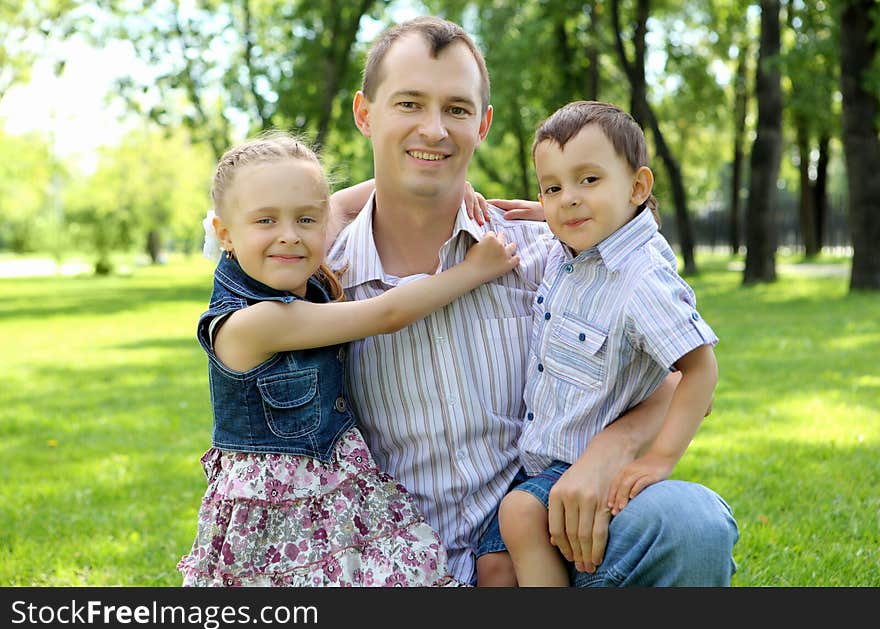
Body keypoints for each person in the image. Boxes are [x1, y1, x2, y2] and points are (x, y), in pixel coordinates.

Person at [327, 15, 738, 587]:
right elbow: (236, 239)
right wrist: (334, 207)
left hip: (543, 547)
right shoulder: (321, 274)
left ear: (484, 124)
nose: (434, 130)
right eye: (409, 104)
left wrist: (609, 449)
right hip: (395, 566)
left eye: (457, 109)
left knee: (691, 523)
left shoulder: (550, 253)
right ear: (364, 114)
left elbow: (681, 376)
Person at [176, 132, 520, 587]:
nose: (289, 236)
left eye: (306, 219)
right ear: (224, 233)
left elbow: (369, 190)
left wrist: (451, 186)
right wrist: (473, 270)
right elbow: (387, 313)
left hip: (336, 494)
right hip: (277, 519)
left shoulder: (296, 248)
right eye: (265, 220)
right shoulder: (251, 323)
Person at [494, 100, 719, 586]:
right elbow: (574, 211)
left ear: (638, 186)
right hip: (536, 463)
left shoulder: (640, 279)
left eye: (588, 180)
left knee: (517, 514)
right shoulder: (578, 247)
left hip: (581, 466)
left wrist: (660, 458)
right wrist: (548, 211)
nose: (569, 199)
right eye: (553, 187)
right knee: (493, 562)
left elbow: (700, 369)